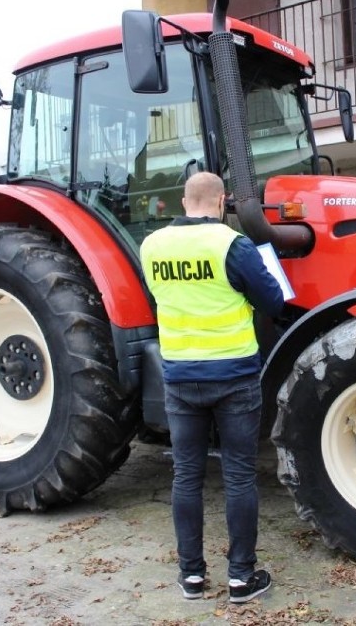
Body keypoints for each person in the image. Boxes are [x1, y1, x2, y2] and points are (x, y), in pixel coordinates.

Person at [140, 171, 285, 604]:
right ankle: (241, 577)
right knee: (239, 476)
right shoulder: (231, 245)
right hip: (234, 377)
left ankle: (192, 578)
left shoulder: (152, 247)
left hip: (181, 377)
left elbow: (160, 300)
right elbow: (273, 302)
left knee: (186, 476)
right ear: (221, 201)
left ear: (184, 202)